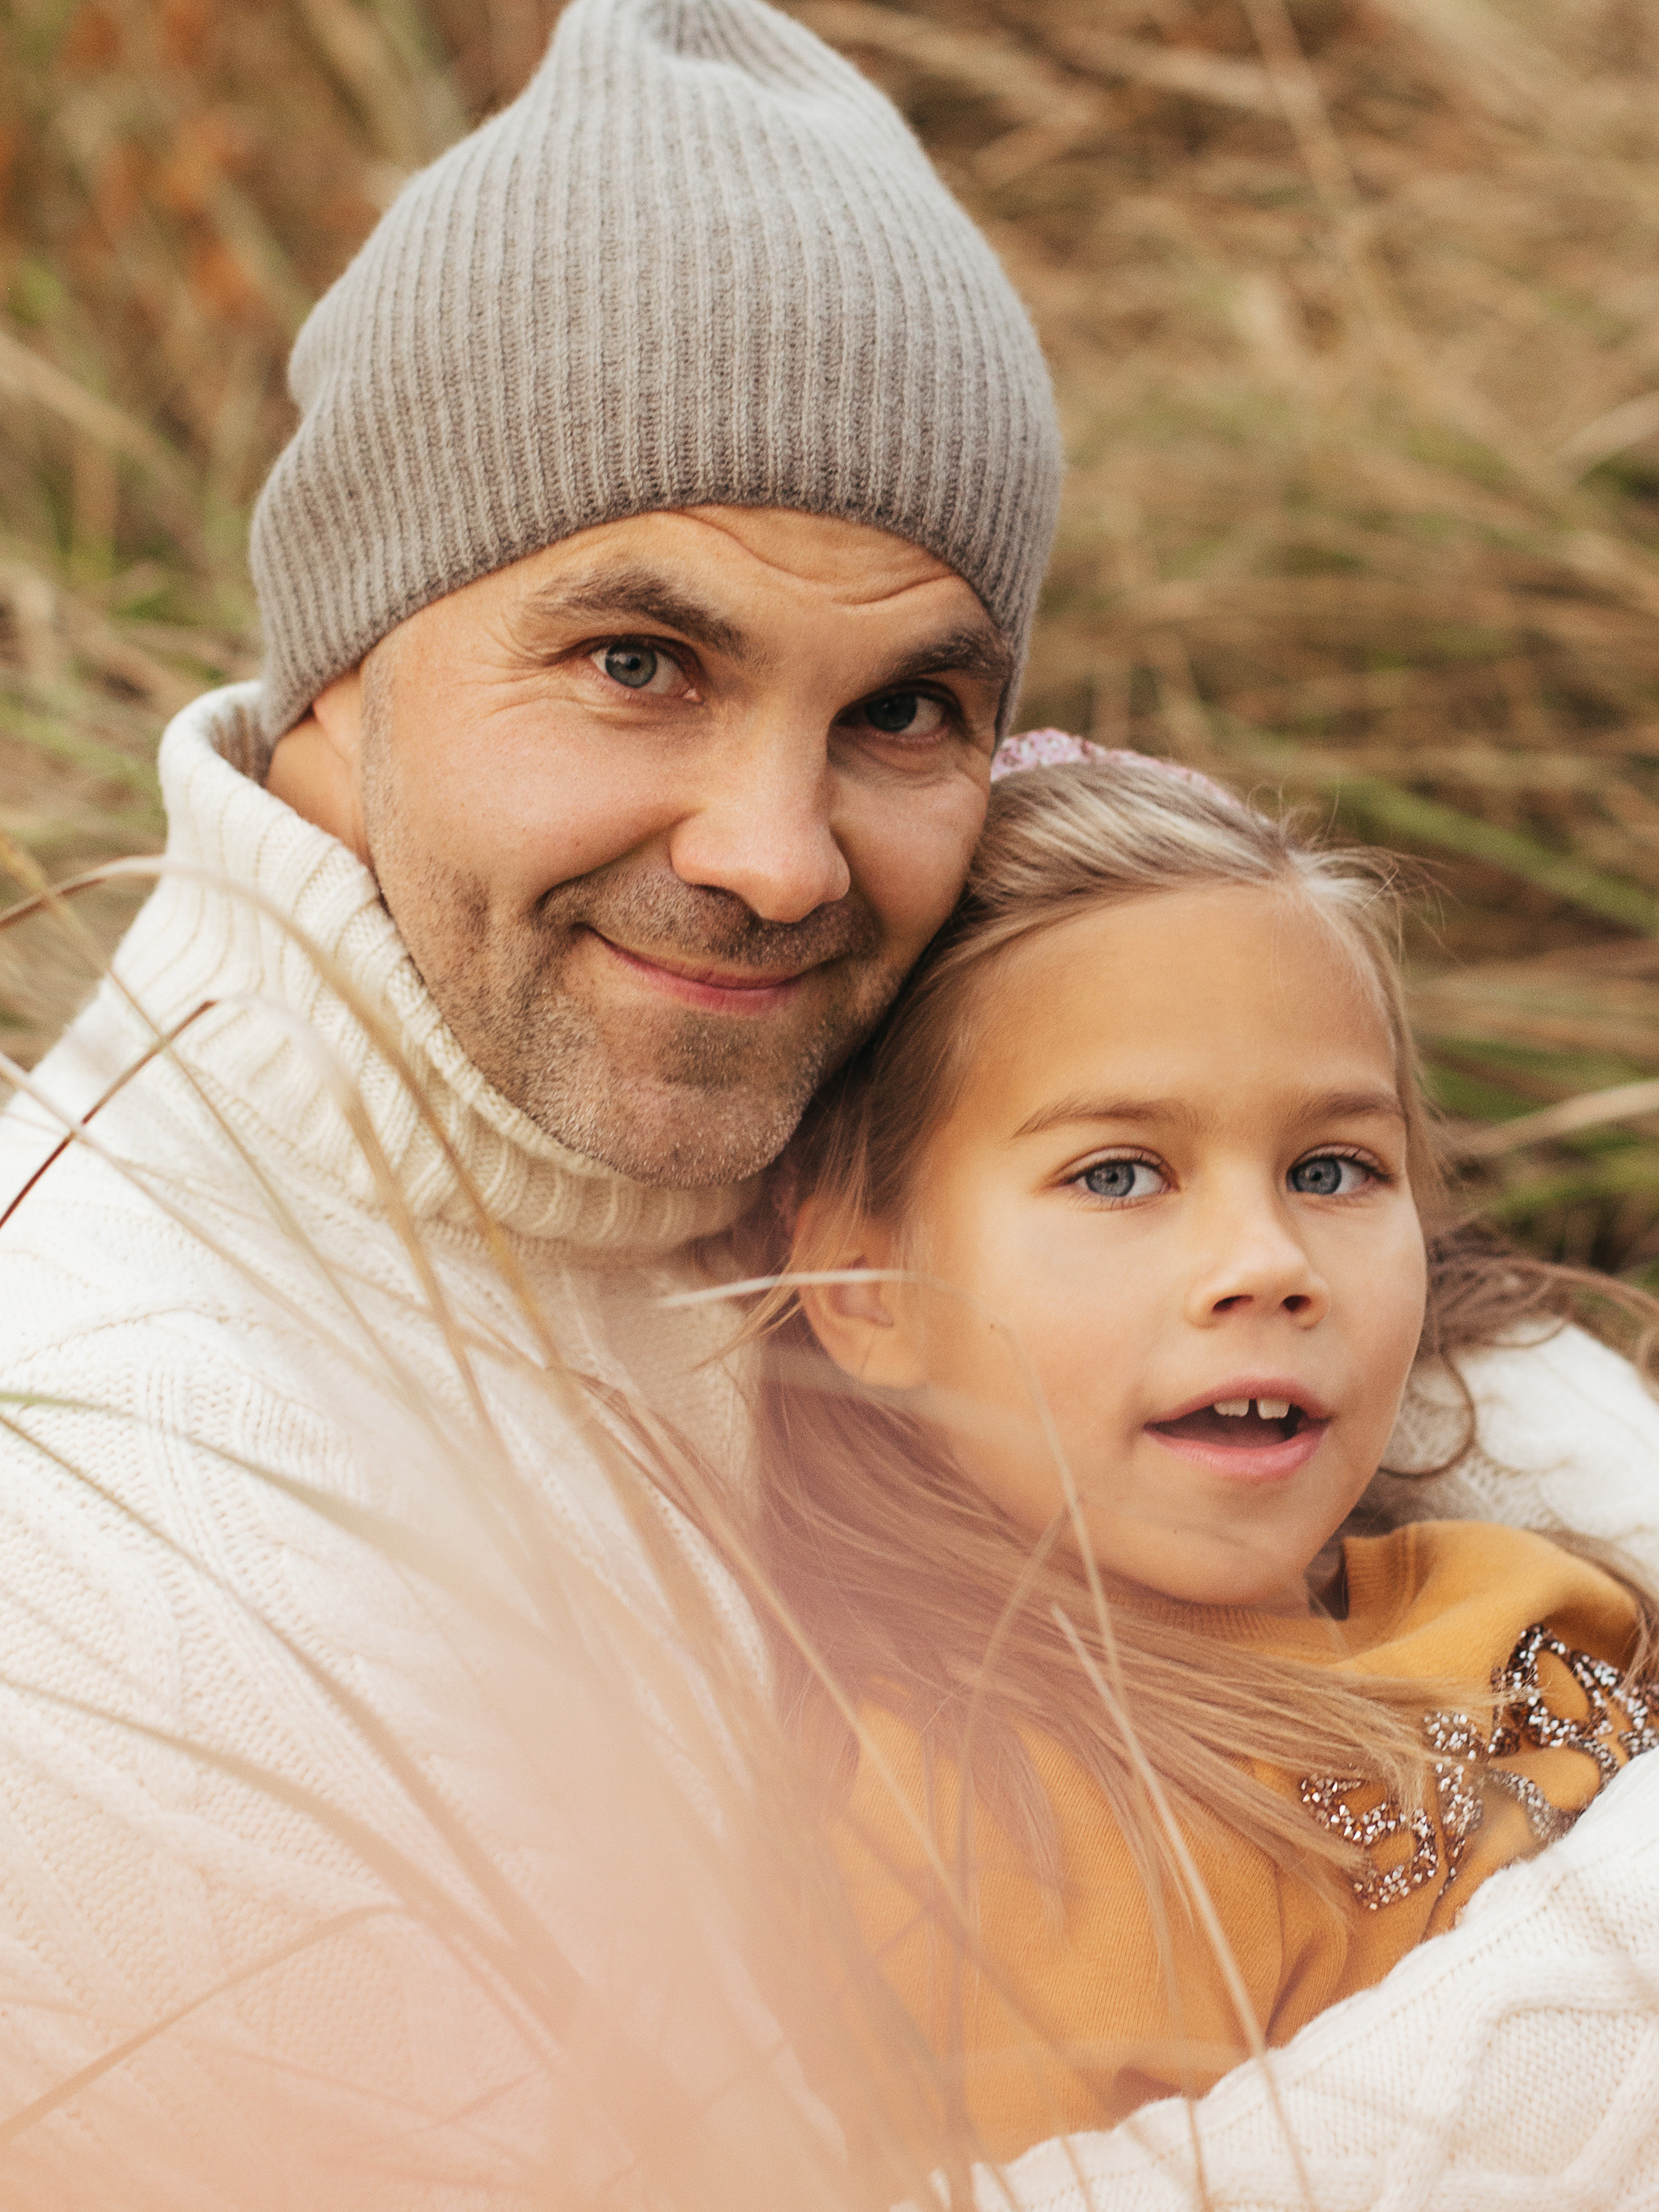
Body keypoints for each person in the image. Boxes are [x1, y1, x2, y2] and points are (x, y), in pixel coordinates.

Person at [0, 0, 1653, 2200]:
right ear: (343, 654)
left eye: (902, 710)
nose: (777, 859)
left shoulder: (763, 1047)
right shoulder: (108, 1509)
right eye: (638, 662)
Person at [759, 745, 1659, 2164]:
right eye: (1119, 1174)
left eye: (1331, 1170)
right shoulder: (987, 1831)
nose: (1268, 1262)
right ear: (870, 1291)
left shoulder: (1526, 1584)